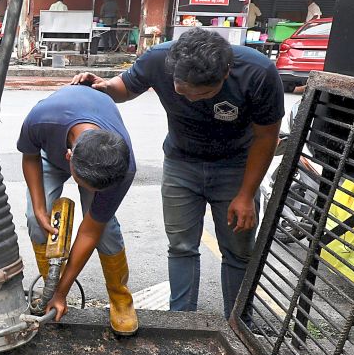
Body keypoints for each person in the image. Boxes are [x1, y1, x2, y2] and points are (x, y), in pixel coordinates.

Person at [72, 28, 283, 321]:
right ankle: (181, 320)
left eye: (204, 94)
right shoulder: (159, 58)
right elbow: (126, 87)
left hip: (237, 167)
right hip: (180, 164)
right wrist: (103, 87)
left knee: (238, 251)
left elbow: (266, 137)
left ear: (225, 74)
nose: (193, 100)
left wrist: (246, 194)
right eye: (183, 90)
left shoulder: (258, 73)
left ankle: (238, 325)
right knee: (181, 246)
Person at [19, 85, 137, 334]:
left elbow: (90, 232)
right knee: (35, 219)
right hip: (50, 149)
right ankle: (49, 287)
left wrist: (63, 293)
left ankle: (120, 298)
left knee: (106, 231)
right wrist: (40, 208)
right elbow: (29, 156)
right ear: (69, 156)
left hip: (94, 162)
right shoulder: (41, 118)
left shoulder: (121, 167)